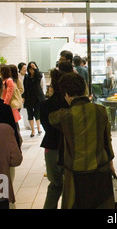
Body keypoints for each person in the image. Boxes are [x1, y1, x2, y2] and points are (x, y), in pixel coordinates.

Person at [49, 72, 116, 209]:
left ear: (66, 94)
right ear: (84, 89)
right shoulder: (101, 111)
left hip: (75, 173)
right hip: (100, 167)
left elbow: (50, 118)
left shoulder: (64, 116)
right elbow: (107, 140)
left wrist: (54, 96)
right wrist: (110, 164)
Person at [40, 68, 69, 209]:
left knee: (55, 185)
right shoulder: (70, 105)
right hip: (70, 147)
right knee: (71, 186)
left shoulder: (45, 105)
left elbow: (46, 127)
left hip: (51, 147)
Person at [23, 61, 46, 137]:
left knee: (37, 113)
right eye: (30, 69)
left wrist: (35, 68)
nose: (31, 70)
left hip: (37, 98)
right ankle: (32, 130)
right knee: (30, 114)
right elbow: (25, 88)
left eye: (33, 69)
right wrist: (23, 97)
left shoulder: (38, 76)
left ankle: (39, 128)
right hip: (29, 97)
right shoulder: (26, 77)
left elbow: (39, 76)